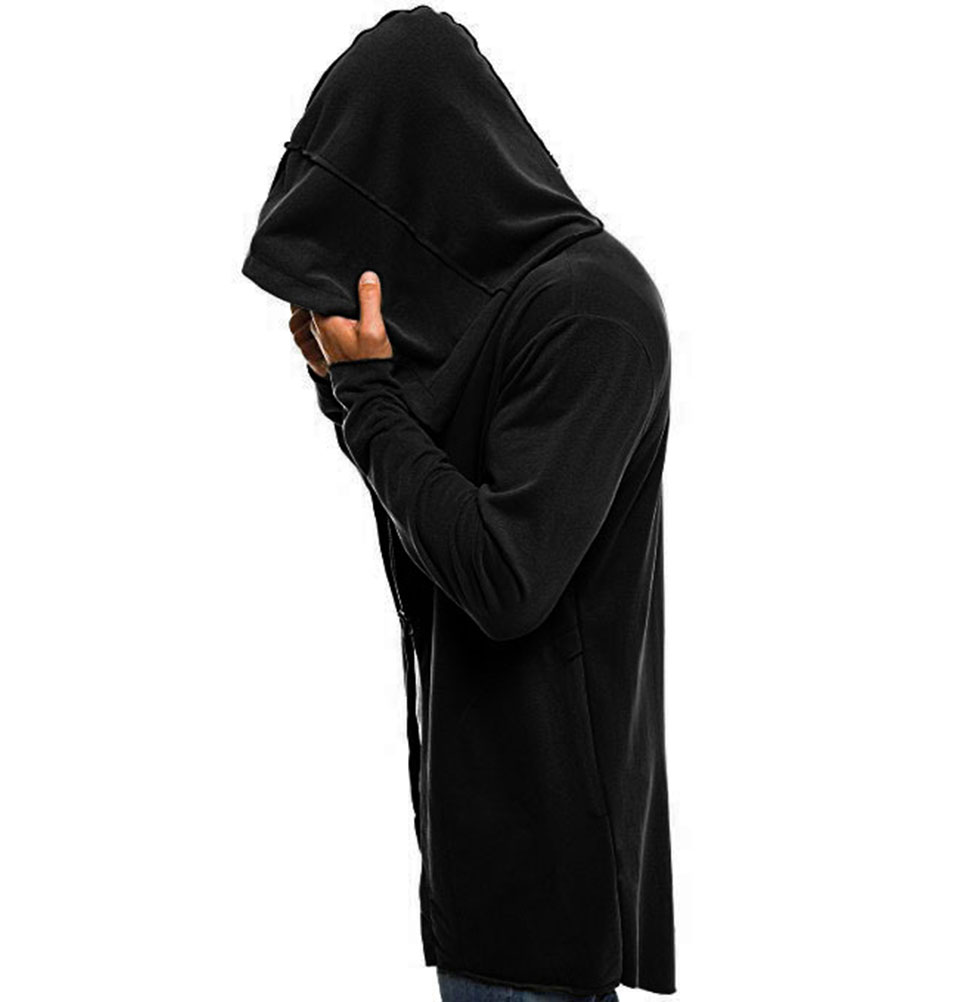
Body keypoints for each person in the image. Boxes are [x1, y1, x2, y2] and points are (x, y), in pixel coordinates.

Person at [243, 7, 674, 999]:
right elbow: (436, 518)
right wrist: (348, 392)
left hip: (551, 886)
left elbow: (502, 580)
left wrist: (368, 395)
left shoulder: (591, 311)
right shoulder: (507, 314)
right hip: (478, 868)